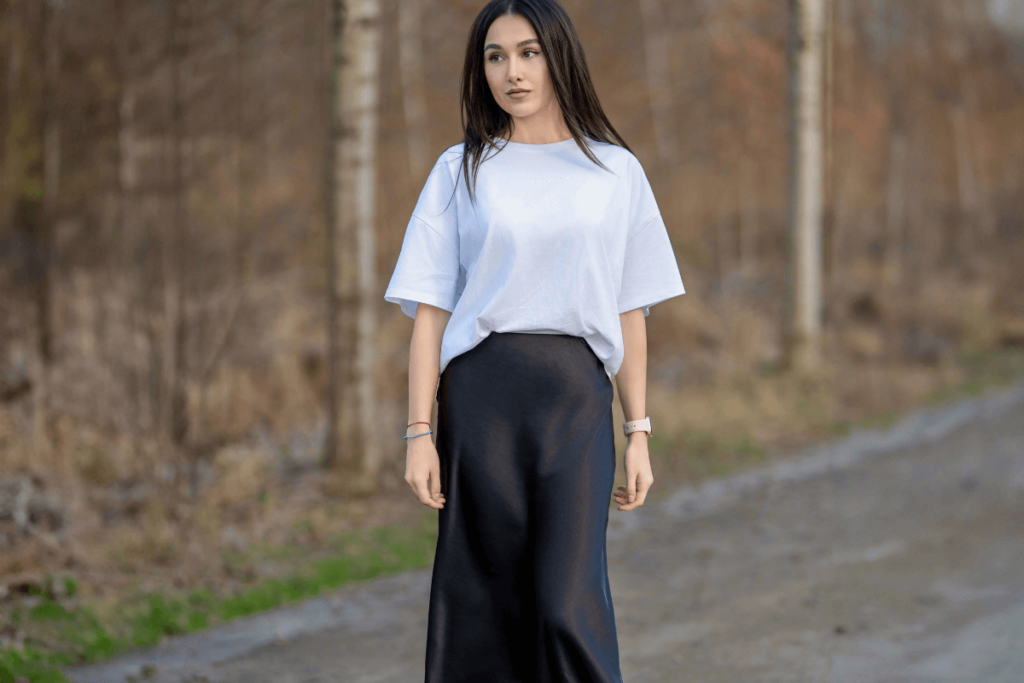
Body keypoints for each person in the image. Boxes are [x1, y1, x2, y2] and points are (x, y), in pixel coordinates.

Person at [383, 0, 685, 680]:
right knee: (483, 602)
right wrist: (418, 430)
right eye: (495, 56)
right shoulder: (460, 171)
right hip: (481, 401)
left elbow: (630, 309)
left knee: (564, 603)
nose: (511, 72)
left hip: (576, 403)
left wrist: (638, 429)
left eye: (528, 53)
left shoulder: (615, 172)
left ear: (559, 58)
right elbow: (430, 313)